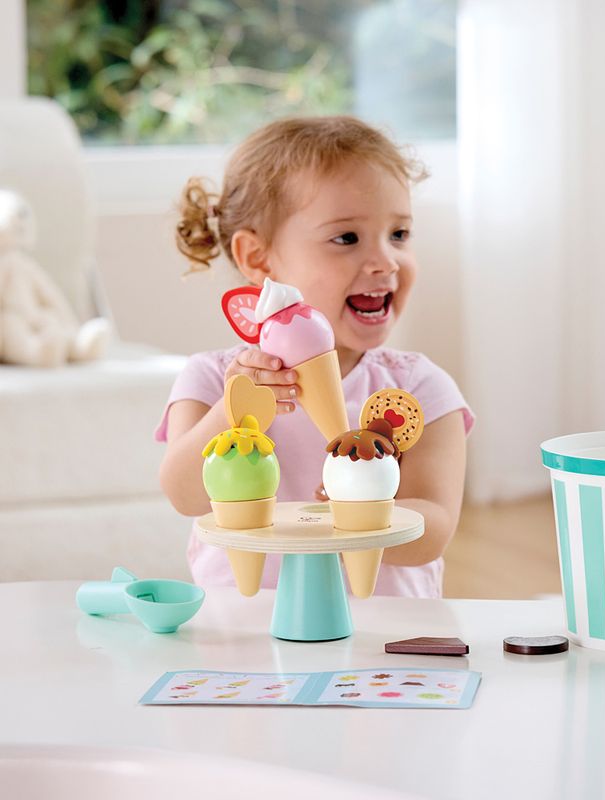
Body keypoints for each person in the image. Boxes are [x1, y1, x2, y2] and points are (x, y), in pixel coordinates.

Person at [157, 116, 474, 597]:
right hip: (247, 630)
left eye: (400, 234)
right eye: (347, 238)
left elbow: (434, 529)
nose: (386, 261)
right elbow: (185, 494)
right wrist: (232, 412)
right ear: (258, 258)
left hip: (382, 635)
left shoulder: (421, 389)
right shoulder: (211, 379)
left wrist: (364, 512)